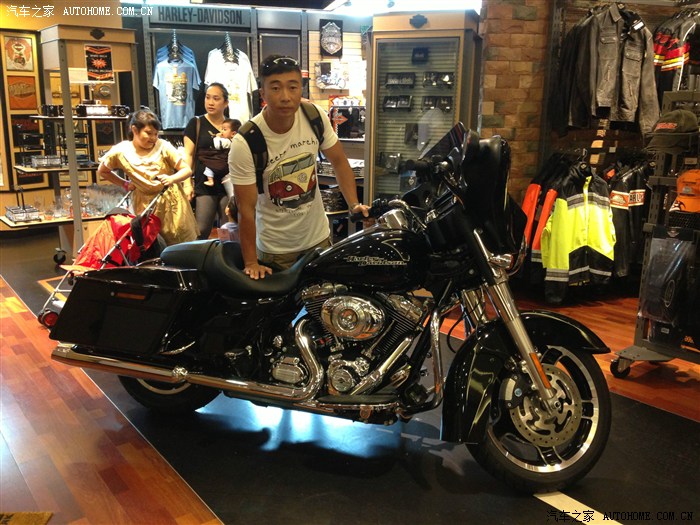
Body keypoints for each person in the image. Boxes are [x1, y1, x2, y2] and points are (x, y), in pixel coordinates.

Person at [229, 55, 369, 279]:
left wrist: (353, 204)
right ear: (263, 93)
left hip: (319, 240)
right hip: (276, 252)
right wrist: (251, 262)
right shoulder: (246, 141)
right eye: (276, 88)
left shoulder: (314, 116)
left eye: (292, 87)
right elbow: (245, 209)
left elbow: (339, 162)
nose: (285, 96)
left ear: (300, 89)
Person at [97, 108, 198, 246]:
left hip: (170, 202)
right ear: (134, 130)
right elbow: (103, 171)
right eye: (148, 133)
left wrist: (172, 179)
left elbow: (186, 169)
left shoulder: (163, 146)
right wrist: (125, 184)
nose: (153, 138)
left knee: (178, 241)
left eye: (155, 134)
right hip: (144, 204)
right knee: (150, 243)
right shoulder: (121, 151)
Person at [183, 82, 231, 240]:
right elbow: (188, 154)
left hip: (227, 184)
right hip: (204, 184)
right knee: (201, 230)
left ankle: (226, 256)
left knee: (228, 230)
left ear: (225, 102)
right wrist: (187, 183)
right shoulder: (196, 123)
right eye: (208, 97)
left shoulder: (232, 126)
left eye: (216, 98)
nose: (210, 102)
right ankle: (199, 256)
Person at [205, 118, 240, 193]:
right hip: (230, 164)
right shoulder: (236, 141)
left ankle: (210, 180)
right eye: (221, 129)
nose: (221, 131)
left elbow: (217, 146)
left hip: (224, 163)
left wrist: (217, 137)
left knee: (209, 167)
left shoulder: (227, 141)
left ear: (233, 133)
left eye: (224, 129)